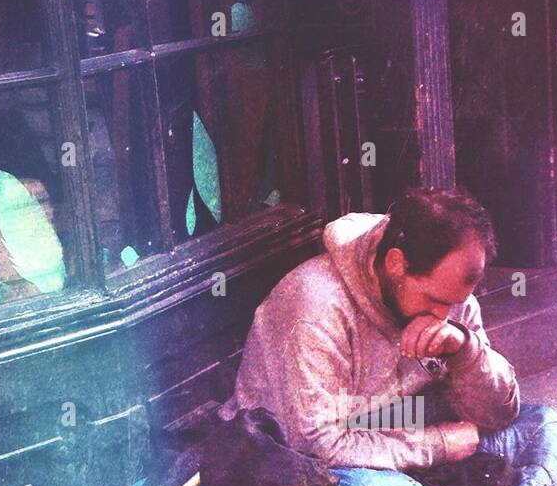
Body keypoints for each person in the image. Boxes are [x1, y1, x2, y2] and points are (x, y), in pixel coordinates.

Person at [221, 187, 520, 470]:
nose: (443, 315)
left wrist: (465, 351)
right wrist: (437, 446)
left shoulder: (448, 293)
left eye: (455, 302)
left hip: (410, 420)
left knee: (542, 428)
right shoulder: (317, 308)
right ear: (395, 264)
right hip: (316, 451)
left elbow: (499, 413)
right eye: (432, 300)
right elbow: (315, 445)